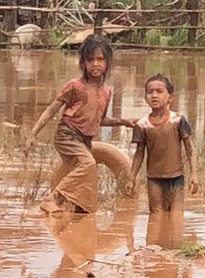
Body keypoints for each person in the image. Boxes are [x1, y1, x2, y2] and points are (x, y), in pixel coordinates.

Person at [25, 35, 135, 214]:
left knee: (86, 180)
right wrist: (33, 134)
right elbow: (51, 110)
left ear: (108, 62)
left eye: (100, 59)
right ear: (83, 63)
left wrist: (124, 122)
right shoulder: (74, 86)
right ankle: (51, 199)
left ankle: (79, 213)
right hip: (67, 135)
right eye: (90, 60)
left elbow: (100, 120)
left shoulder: (106, 92)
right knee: (88, 164)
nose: (95, 64)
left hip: (85, 141)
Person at [126, 74, 199, 215]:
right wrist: (131, 178)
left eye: (159, 92)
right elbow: (139, 153)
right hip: (154, 179)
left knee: (176, 216)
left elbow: (190, 148)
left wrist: (194, 174)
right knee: (156, 217)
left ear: (170, 97)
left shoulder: (178, 121)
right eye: (150, 92)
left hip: (176, 178)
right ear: (145, 98)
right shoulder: (142, 125)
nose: (154, 95)